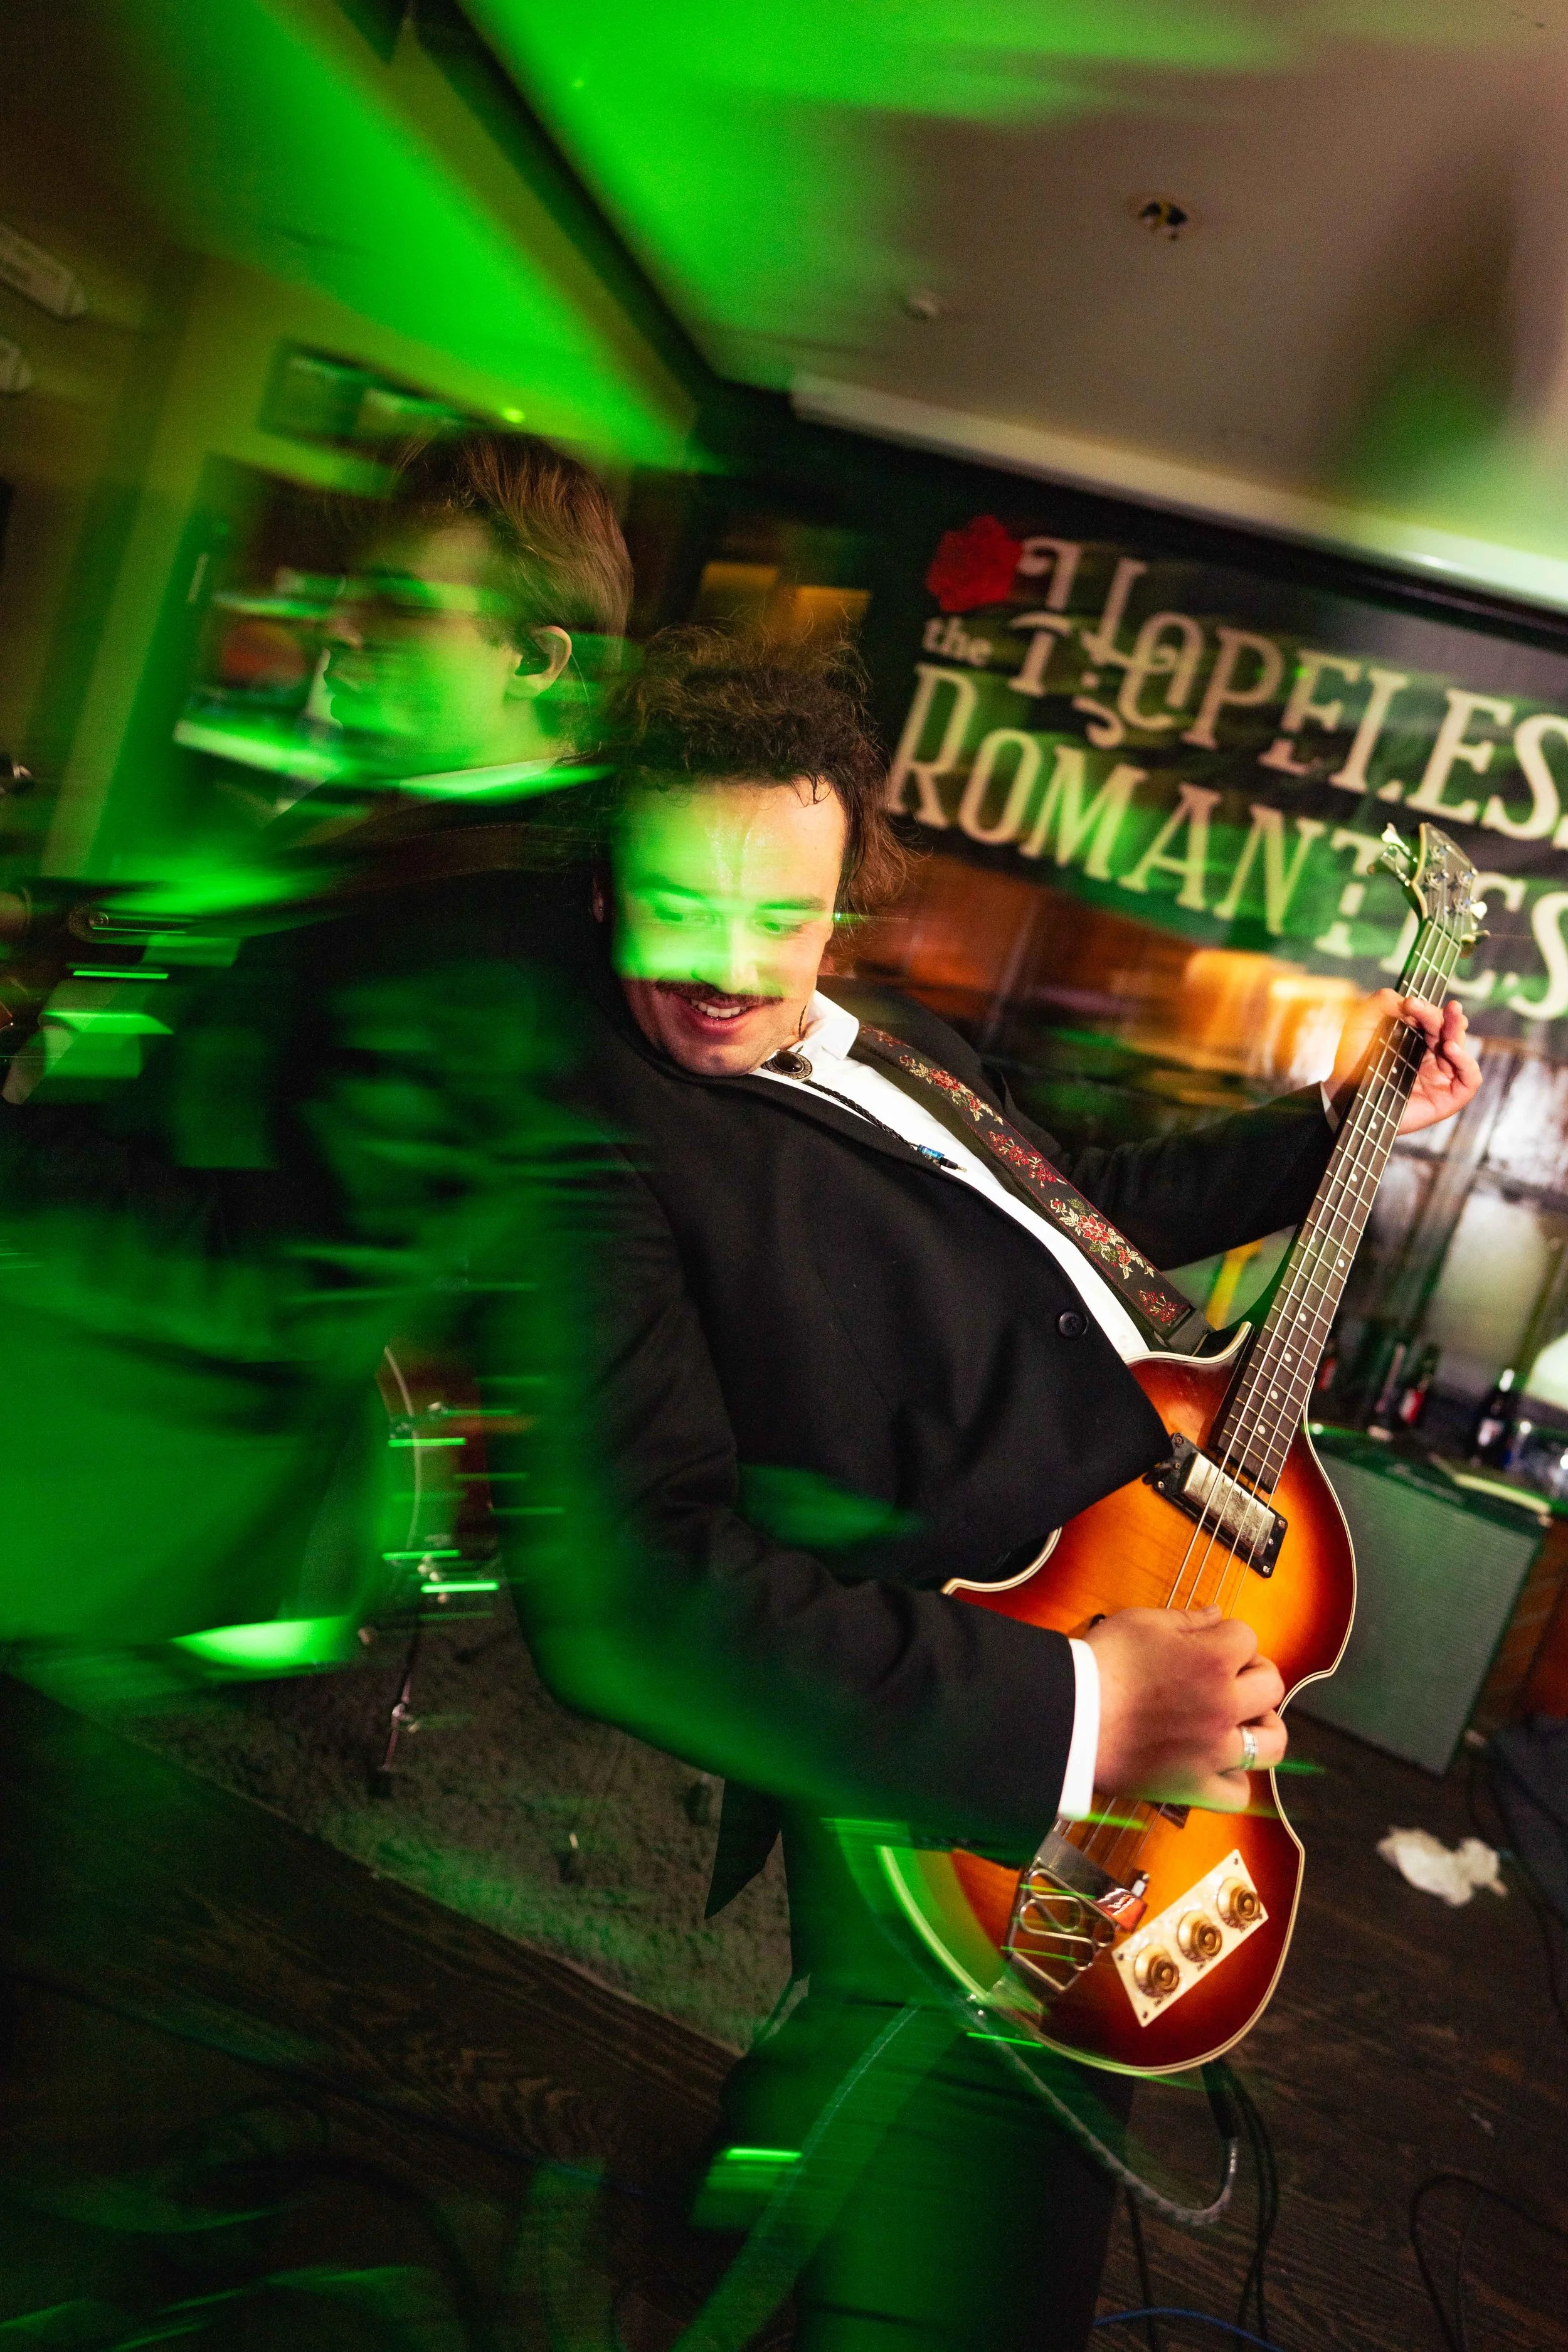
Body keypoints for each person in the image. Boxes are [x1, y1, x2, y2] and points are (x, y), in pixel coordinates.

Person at [534, 624, 1482, 2349]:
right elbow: (636, 1583)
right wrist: (1078, 1703)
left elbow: (1088, 1207)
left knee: (911, 2161)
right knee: (976, 2260)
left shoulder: (876, 1039)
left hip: (1123, 1592)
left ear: (844, 899)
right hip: (944, 1738)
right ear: (603, 889)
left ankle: (760, 2182)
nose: (731, 970)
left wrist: (1342, 1118)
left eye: (783, 916)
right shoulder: (592, 1141)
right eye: (679, 906)